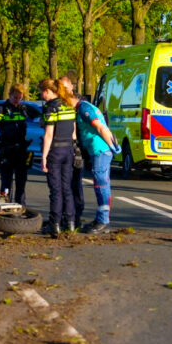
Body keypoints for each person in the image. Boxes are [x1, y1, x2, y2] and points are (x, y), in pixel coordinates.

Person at [65, 94, 122, 234]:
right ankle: (101, 219)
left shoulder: (84, 108)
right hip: (99, 150)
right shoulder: (84, 107)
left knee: (101, 184)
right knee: (101, 183)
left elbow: (100, 127)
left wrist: (112, 145)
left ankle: (103, 221)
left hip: (100, 150)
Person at [40, 79, 77, 237]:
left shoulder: (51, 107)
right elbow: (73, 131)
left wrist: (43, 156)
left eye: (42, 92)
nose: (42, 95)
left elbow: (49, 134)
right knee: (67, 188)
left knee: (55, 190)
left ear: (48, 91)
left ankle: (55, 224)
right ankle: (70, 222)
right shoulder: (68, 104)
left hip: (55, 150)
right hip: (68, 149)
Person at [0, 84, 30, 204]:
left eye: (20, 98)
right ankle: (4, 206)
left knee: (21, 180)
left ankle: (20, 206)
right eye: (15, 97)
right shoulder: (1, 109)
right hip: (7, 149)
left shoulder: (22, 109)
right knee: (6, 181)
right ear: (9, 95)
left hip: (21, 149)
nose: (17, 100)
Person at [58, 72, 85, 229]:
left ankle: (77, 216)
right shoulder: (58, 103)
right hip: (62, 147)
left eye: (65, 87)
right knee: (62, 185)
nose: (63, 90)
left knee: (75, 184)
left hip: (77, 147)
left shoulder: (80, 102)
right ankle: (64, 216)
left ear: (72, 87)